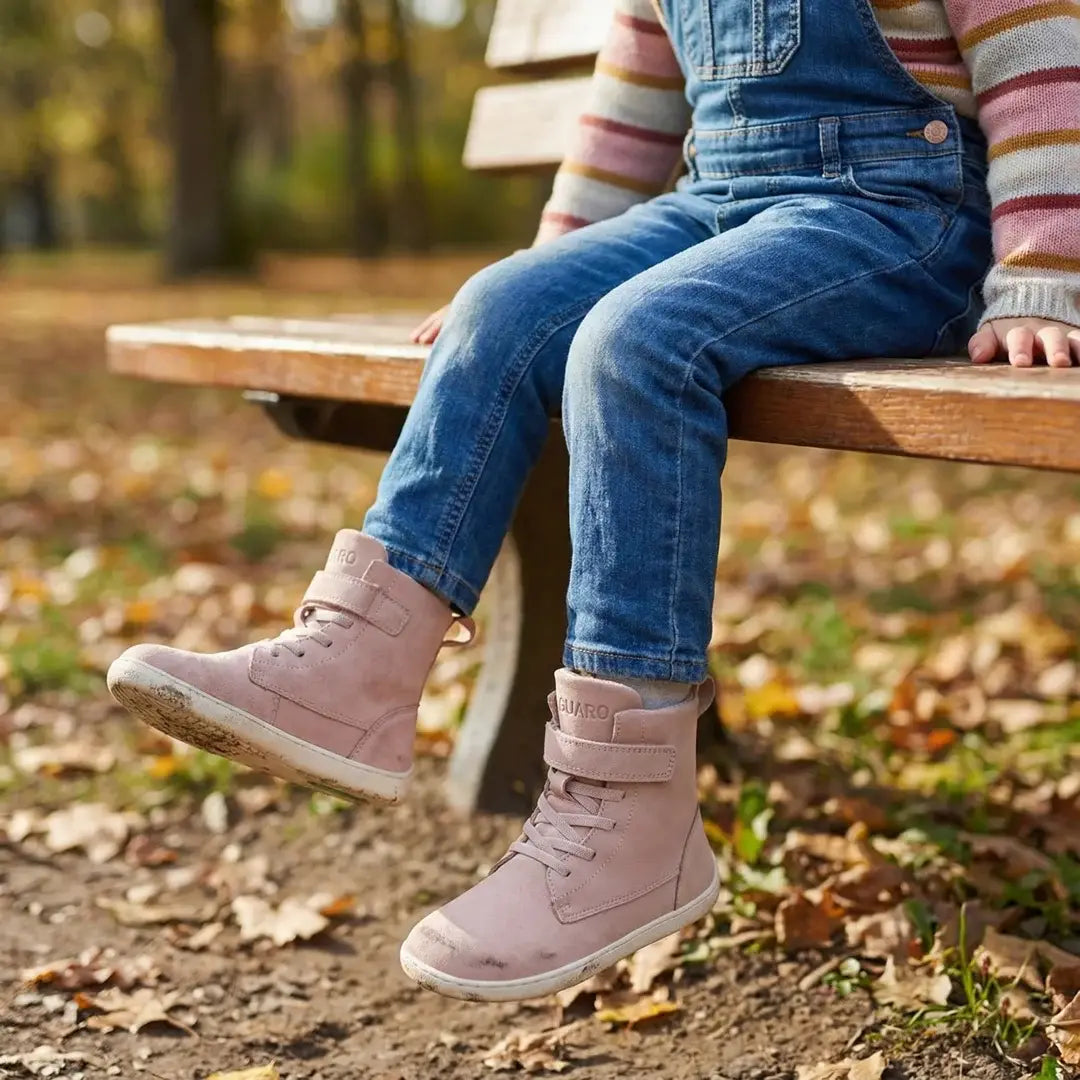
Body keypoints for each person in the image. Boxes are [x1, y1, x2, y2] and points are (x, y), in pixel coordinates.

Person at [108, 0, 1079, 1002]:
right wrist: (546, 274)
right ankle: (358, 669)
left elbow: (1038, 50)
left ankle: (628, 810)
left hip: (906, 215)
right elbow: (635, 98)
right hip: (726, 200)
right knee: (502, 308)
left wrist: (1043, 273)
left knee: (638, 344)